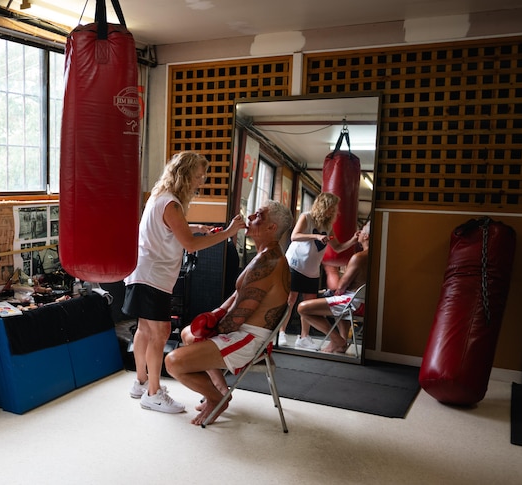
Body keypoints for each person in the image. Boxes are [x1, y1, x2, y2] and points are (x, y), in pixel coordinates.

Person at [122, 151, 244, 414]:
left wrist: (195, 227)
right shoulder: (173, 205)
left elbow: (172, 230)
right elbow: (189, 244)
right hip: (153, 276)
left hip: (142, 273)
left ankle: (141, 383)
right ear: (185, 175)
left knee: (145, 330)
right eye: (198, 177)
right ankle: (153, 394)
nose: (200, 182)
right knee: (160, 333)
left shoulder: (160, 197)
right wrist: (227, 234)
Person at [164, 200, 294, 425]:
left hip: (249, 338)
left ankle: (218, 399)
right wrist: (216, 313)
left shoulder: (267, 262)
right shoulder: (264, 255)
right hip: (243, 330)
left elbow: (237, 318)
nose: (250, 217)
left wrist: (212, 329)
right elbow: (236, 297)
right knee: (188, 334)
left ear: (272, 228)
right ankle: (220, 388)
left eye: (258, 215)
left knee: (173, 362)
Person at [283, 192, 360, 350]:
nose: (334, 211)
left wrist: (352, 240)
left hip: (311, 269)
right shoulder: (307, 217)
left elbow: (337, 247)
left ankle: (304, 337)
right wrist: (315, 237)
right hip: (296, 264)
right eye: (331, 208)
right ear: (323, 206)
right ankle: (282, 333)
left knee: (309, 305)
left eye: (334, 209)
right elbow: (294, 236)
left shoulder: (327, 226)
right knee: (291, 301)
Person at [297, 220, 371, 354]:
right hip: (363, 302)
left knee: (303, 308)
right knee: (337, 299)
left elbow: (343, 285)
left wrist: (335, 292)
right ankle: (340, 343)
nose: (359, 232)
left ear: (366, 237)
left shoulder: (358, 257)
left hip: (353, 302)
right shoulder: (377, 257)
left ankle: (338, 341)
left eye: (362, 230)